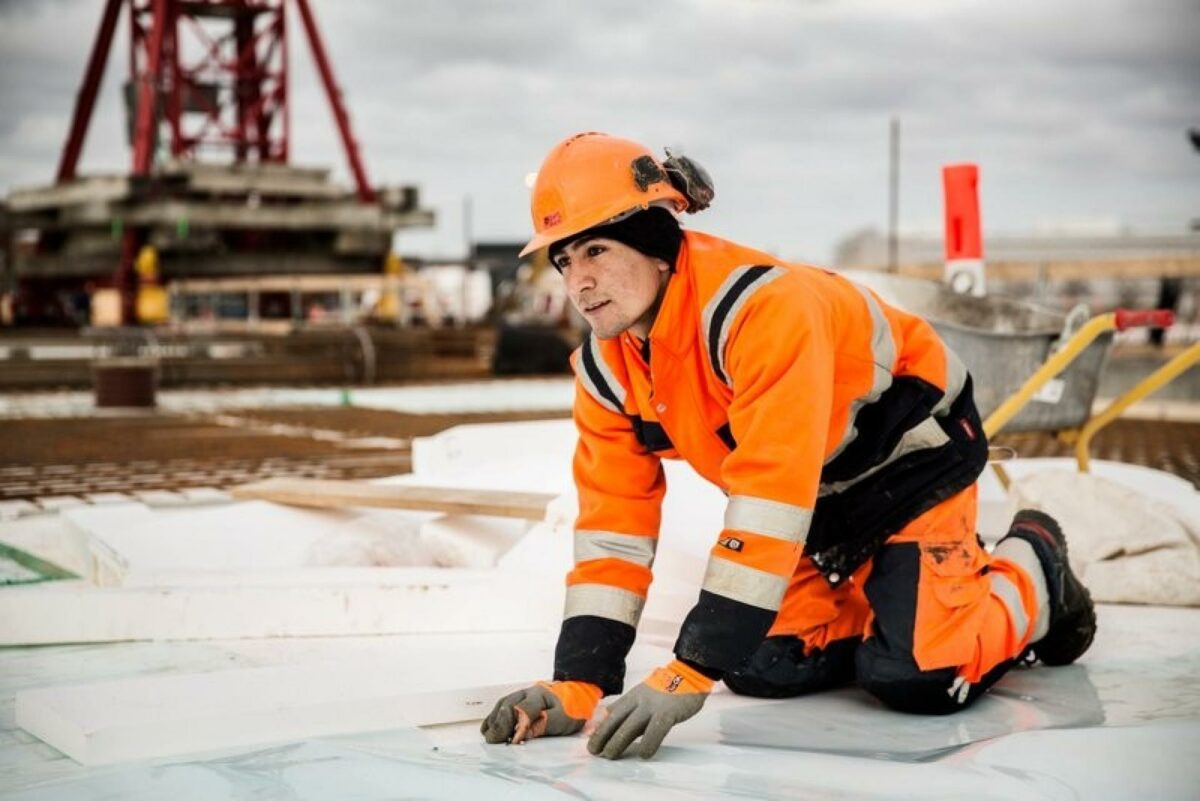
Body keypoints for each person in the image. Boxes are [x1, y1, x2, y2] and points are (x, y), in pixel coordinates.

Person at [480, 132, 1096, 760]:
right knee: (759, 666)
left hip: (912, 468)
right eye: (563, 260)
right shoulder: (608, 371)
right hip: (818, 500)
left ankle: (1033, 570)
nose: (579, 281)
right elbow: (614, 531)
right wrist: (578, 683)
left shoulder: (763, 310)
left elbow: (769, 493)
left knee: (921, 678)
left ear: (656, 245)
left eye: (596, 250)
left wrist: (691, 670)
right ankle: (890, 602)